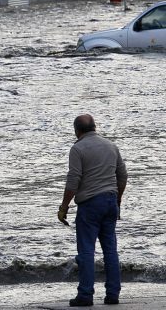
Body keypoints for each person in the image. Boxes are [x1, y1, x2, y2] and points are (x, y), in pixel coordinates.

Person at [58, 114, 127, 307]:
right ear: (95, 127)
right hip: (111, 201)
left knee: (87, 250)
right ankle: (113, 294)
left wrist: (64, 207)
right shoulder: (111, 146)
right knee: (110, 250)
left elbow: (73, 181)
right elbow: (122, 176)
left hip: (90, 204)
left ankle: (86, 294)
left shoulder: (77, 148)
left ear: (76, 130)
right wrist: (117, 199)